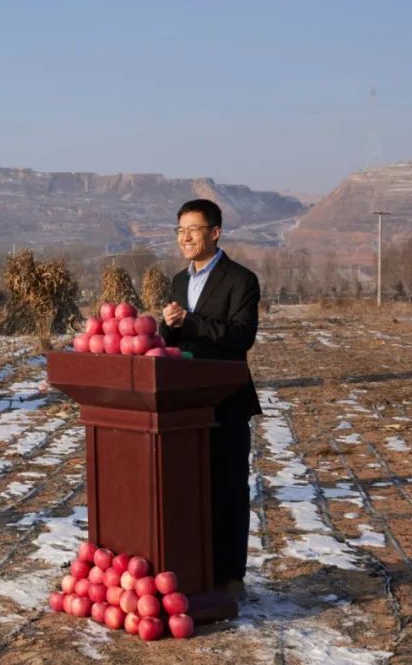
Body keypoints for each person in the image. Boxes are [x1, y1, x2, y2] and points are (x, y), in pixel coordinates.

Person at [160, 198, 262, 598]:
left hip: (227, 400)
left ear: (215, 232)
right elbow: (176, 339)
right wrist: (168, 329)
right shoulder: (178, 282)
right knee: (191, 489)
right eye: (180, 230)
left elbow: (242, 337)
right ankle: (194, 569)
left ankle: (230, 575)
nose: (185, 237)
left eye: (193, 229)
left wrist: (191, 321)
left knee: (229, 489)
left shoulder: (241, 280)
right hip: (185, 402)